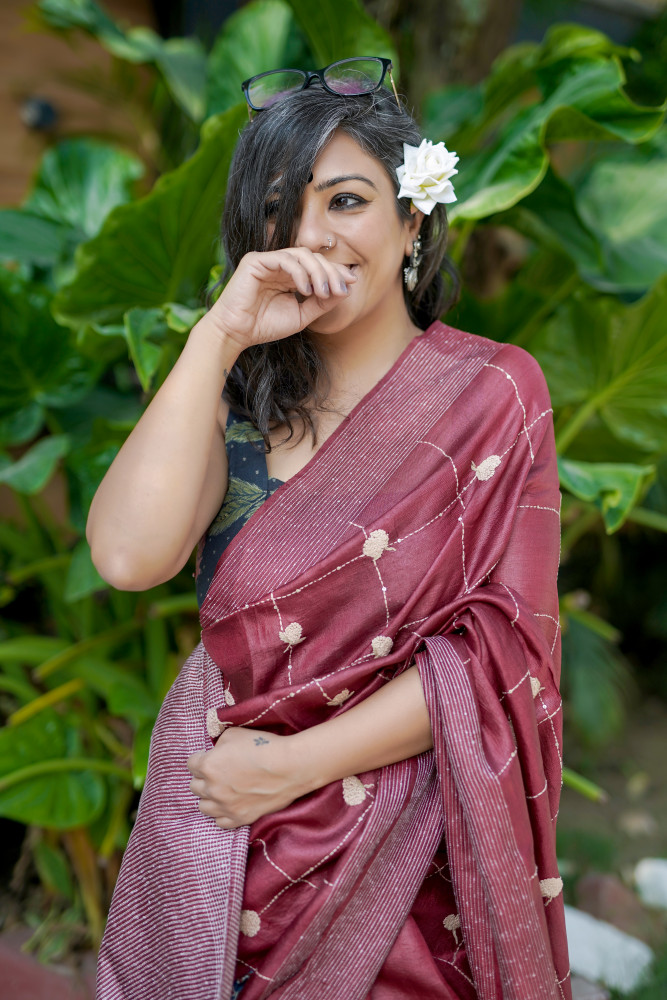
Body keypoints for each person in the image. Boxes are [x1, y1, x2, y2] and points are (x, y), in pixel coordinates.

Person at [88, 57, 571, 1000]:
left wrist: (294, 767)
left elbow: (497, 653)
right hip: (218, 840)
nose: (310, 235)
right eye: (278, 209)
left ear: (412, 219)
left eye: (345, 200)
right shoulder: (232, 402)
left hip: (402, 872)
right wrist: (216, 336)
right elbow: (126, 556)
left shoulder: (490, 393)